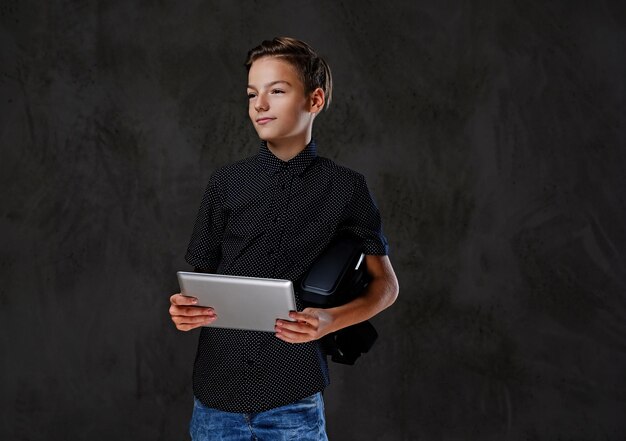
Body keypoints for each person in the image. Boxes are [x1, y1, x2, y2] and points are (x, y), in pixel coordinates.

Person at [169, 36, 399, 440]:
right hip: (215, 395)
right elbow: (201, 282)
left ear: (315, 100)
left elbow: (387, 286)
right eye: (251, 93)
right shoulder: (226, 183)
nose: (259, 104)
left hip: (293, 396)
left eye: (276, 91)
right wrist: (184, 309)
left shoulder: (347, 188)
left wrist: (331, 321)